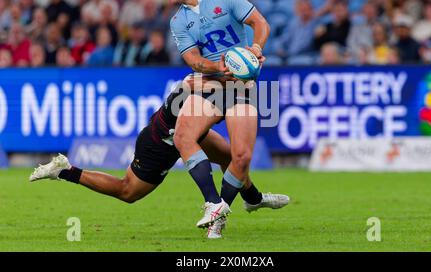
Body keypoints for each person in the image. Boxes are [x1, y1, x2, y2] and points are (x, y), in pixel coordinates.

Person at [29, 76, 289, 239]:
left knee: (231, 157)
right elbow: (196, 88)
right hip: (159, 143)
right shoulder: (197, 83)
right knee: (127, 191)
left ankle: (249, 201)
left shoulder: (223, 87)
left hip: (187, 135)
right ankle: (64, 170)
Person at [165, 0, 288, 231]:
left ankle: (222, 216)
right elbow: (193, 60)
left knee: (241, 156)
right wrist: (218, 66)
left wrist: (255, 48)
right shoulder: (179, 20)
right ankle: (214, 204)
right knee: (183, 136)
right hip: (211, 83)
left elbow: (260, 23)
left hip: (242, 86)